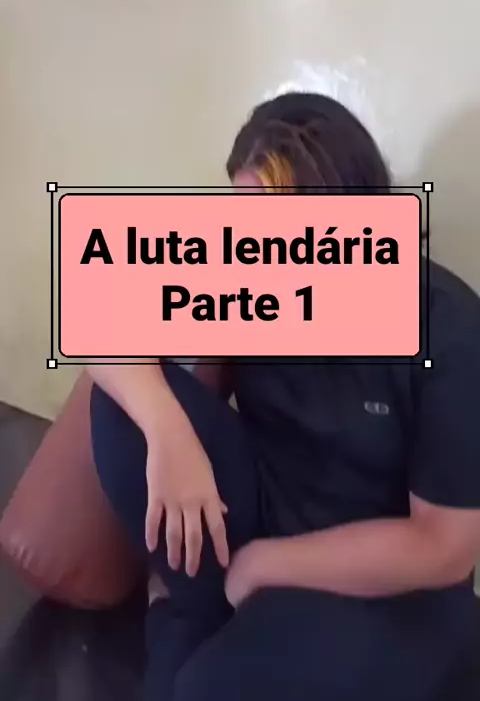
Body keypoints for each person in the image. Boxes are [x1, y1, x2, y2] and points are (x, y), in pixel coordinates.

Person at [89, 92, 480, 701]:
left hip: (388, 579)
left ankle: (185, 614)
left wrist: (266, 565)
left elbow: (444, 550)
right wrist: (170, 433)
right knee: (121, 404)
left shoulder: (448, 327)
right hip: (268, 507)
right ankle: (199, 608)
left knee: (201, 687)